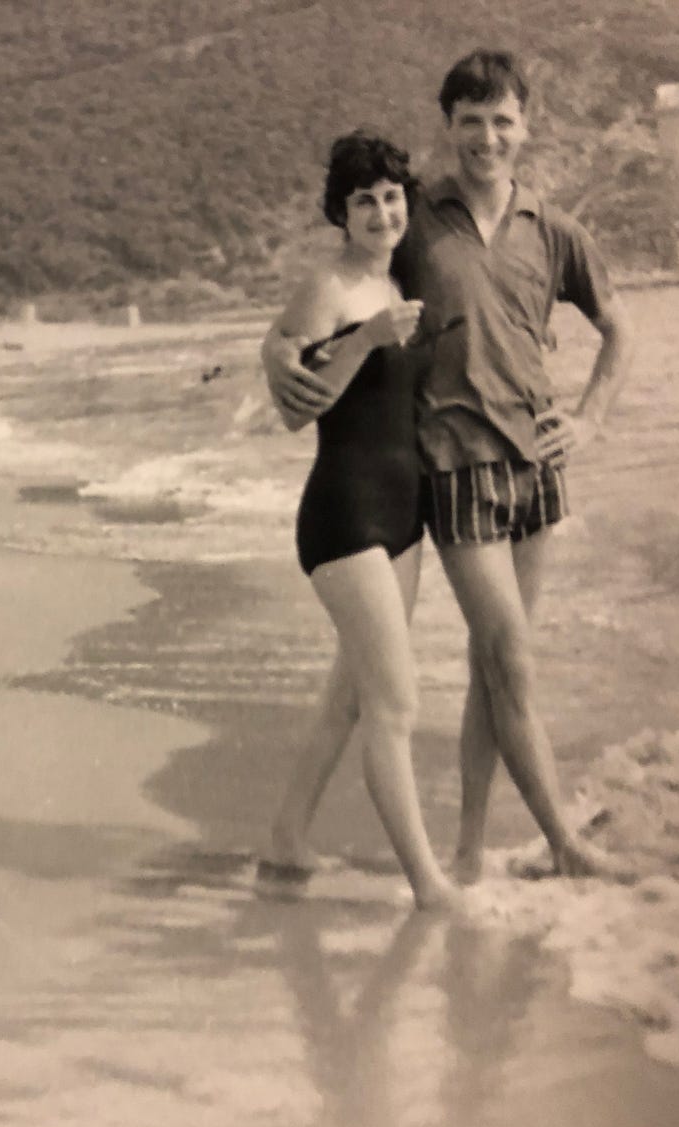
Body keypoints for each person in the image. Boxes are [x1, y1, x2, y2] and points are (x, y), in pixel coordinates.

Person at [263, 51, 635, 883]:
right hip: (454, 470)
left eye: (503, 120)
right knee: (509, 655)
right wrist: (274, 348)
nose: (488, 138)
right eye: (471, 121)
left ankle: (467, 850)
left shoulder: (555, 228)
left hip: (537, 464)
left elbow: (619, 327)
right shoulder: (415, 216)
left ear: (526, 126)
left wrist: (592, 416)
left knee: (492, 665)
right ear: (450, 128)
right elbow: (333, 291)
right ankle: (565, 842)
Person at [259, 132, 458, 912]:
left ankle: (285, 838)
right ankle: (429, 885)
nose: (381, 211)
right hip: (343, 516)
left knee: (349, 697)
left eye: (390, 197)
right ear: (340, 214)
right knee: (396, 704)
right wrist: (364, 340)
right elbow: (293, 406)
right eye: (364, 201)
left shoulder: (404, 275)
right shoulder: (329, 288)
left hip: (403, 515)